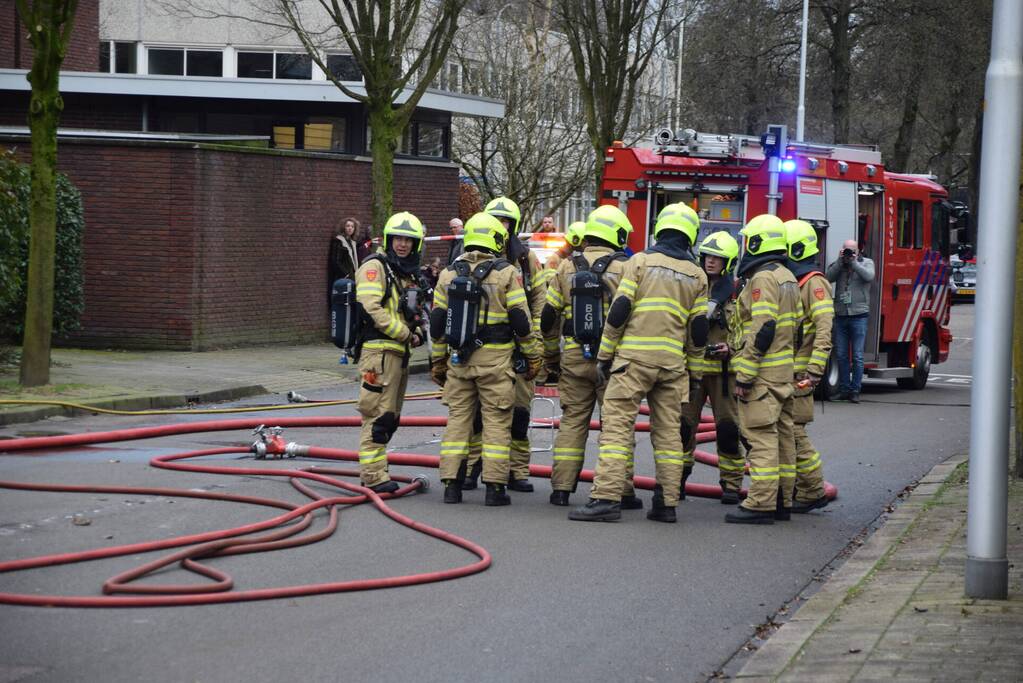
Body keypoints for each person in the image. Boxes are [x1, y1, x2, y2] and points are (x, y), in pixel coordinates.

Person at [569, 202, 709, 523]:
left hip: (632, 362)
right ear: (690, 234)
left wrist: (605, 355)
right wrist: (696, 373)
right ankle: (666, 504)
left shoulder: (640, 262)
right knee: (669, 434)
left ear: (660, 228)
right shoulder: (697, 274)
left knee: (617, 429)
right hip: (673, 366)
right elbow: (698, 331)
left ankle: (606, 499)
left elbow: (619, 312)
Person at [428, 212, 543, 506]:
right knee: (496, 423)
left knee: (458, 423)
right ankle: (494, 488)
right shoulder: (506, 273)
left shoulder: (448, 274)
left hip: (459, 362)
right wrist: (533, 357)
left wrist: (438, 363)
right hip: (496, 362)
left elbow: (438, 328)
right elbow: (522, 321)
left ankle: (451, 485)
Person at [541, 206, 642, 509]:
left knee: (572, 421)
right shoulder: (627, 267)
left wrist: (550, 356)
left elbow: (548, 316)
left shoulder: (566, 267)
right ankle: (621, 491)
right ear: (618, 234)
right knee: (616, 426)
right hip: (612, 360)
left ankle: (561, 489)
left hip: (573, 355)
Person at [459, 196, 546, 493]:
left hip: (519, 346)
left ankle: (516, 471)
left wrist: (531, 343)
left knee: (519, 413)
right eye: (496, 219)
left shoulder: (526, 259)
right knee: (476, 415)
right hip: (484, 348)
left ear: (514, 226)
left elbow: (538, 302)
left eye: (506, 221)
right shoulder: (468, 256)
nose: (501, 225)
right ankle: (472, 467)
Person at [725, 214, 801, 525]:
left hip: (762, 374)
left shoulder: (763, 279)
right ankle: (783, 500)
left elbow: (763, 326)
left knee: (761, 437)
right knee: (784, 439)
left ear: (757, 242)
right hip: (782, 372)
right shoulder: (787, 276)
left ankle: (760, 503)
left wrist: (745, 373)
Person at [353, 212, 427, 493]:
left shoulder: (403, 271)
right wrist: (404, 333)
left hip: (397, 352)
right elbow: (371, 308)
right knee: (378, 416)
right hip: (379, 351)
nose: (403, 244)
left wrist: (416, 330)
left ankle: (377, 470)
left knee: (390, 417)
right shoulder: (375, 267)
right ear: (388, 239)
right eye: (398, 238)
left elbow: (407, 311)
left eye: (408, 240)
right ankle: (373, 476)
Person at [680, 230, 744, 505]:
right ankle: (675, 481)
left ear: (727, 261)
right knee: (682, 428)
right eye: (707, 256)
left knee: (729, 430)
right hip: (692, 371)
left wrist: (732, 348)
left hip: (724, 375)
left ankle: (731, 485)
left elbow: (746, 329)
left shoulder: (738, 293)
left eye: (717, 257)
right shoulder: (691, 286)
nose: (710, 262)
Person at [784, 220, 834, 513]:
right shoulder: (798, 282)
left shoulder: (814, 283)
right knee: (787, 431)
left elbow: (824, 326)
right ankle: (796, 489)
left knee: (794, 431)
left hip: (801, 373)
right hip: (789, 369)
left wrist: (814, 369)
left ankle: (813, 489)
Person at [826, 239, 875, 403]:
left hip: (859, 315)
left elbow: (869, 276)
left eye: (851, 250)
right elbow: (827, 277)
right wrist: (841, 262)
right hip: (841, 315)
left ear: (858, 250)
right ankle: (844, 389)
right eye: (846, 250)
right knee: (840, 355)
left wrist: (853, 263)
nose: (848, 253)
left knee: (857, 356)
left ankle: (855, 390)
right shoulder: (839, 264)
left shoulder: (867, 263)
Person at [327, 217, 363, 306]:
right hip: (342, 278)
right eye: (348, 226)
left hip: (352, 277)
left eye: (352, 226)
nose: (350, 228)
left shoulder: (353, 243)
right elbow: (335, 260)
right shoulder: (338, 241)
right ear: (343, 227)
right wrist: (345, 274)